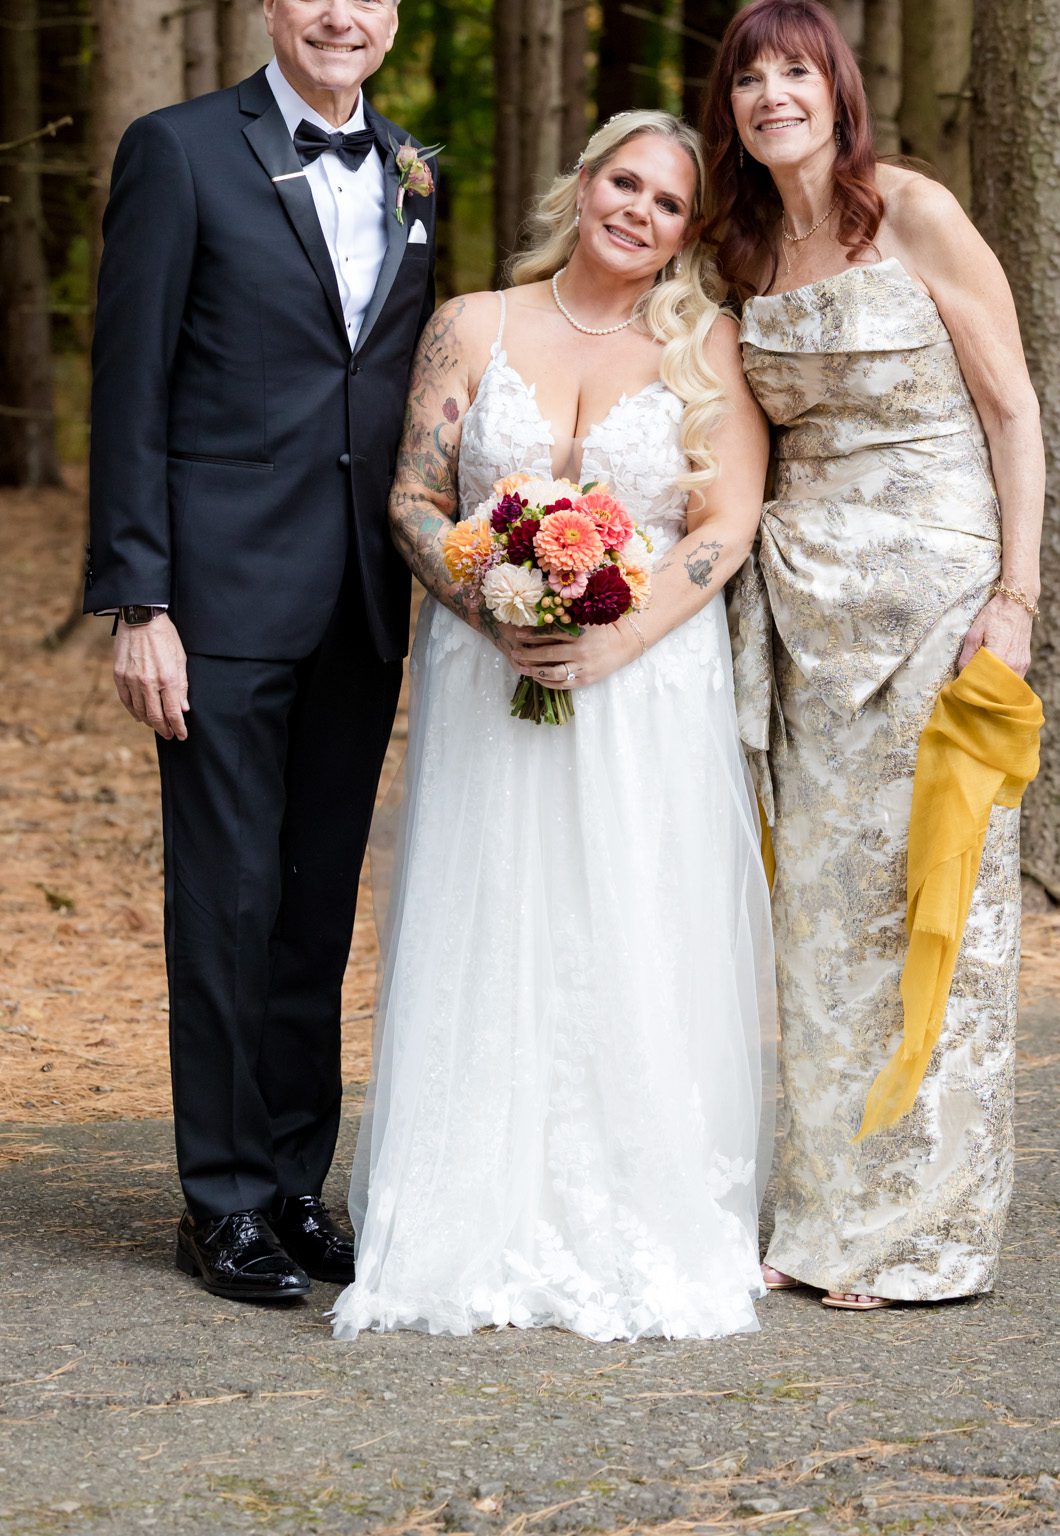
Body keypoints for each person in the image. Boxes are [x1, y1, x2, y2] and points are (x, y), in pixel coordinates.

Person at [332, 111, 776, 1343]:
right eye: (622, 180)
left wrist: (615, 640)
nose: (637, 210)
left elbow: (723, 524)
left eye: (668, 202)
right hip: (492, 675)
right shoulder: (474, 322)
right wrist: (491, 606)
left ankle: (636, 1202)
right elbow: (417, 495)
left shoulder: (707, 347)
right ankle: (467, 1204)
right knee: (495, 913)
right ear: (582, 182)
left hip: (646, 691)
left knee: (633, 919)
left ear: (690, 230)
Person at [85, 0, 437, 1304]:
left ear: (393, 21)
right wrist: (138, 598)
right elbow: (131, 389)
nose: (339, 16)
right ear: (270, 2)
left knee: (311, 910)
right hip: (217, 604)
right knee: (224, 901)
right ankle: (218, 1197)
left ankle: (295, 1181)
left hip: (360, 602)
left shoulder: (415, 171)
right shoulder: (177, 153)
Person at [705, 0, 1045, 1310]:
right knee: (821, 926)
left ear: (837, 86)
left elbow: (1011, 408)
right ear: (729, 109)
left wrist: (1014, 594)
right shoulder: (740, 251)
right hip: (803, 607)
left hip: (933, 597)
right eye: (749, 78)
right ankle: (826, 1217)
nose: (772, 94)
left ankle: (927, 1233)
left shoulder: (908, 209)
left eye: (796, 70)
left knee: (934, 904)